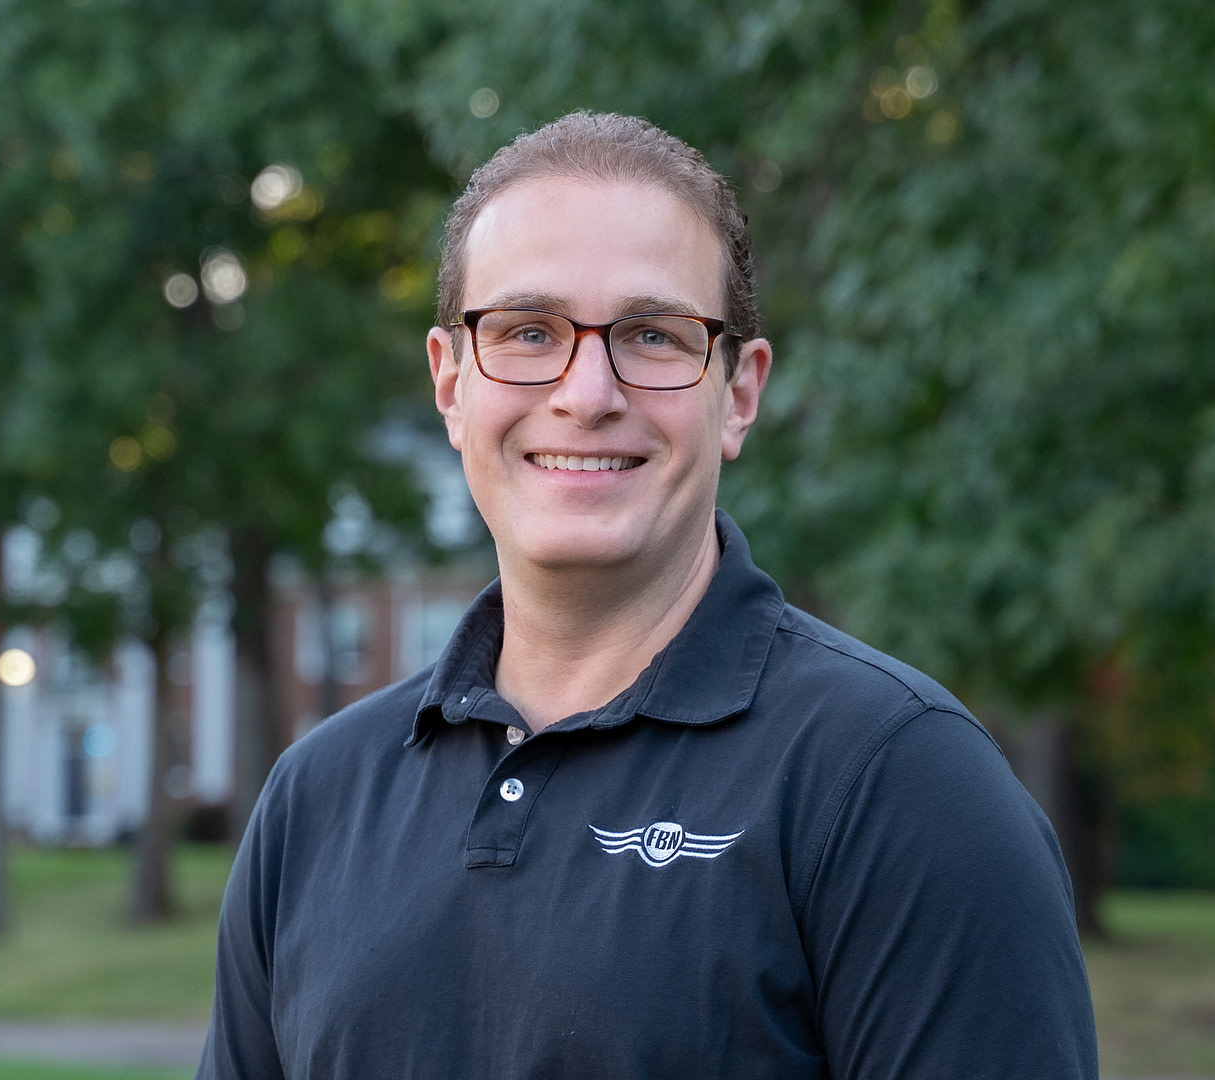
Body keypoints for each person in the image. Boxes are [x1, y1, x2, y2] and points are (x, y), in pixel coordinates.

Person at [197, 111, 1099, 1079]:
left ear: (738, 393)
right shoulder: (315, 800)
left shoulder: (901, 786)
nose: (587, 393)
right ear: (450, 384)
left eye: (653, 336)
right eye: (528, 331)